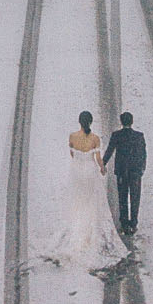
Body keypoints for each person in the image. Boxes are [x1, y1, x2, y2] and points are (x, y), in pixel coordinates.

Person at [49, 110, 125, 268]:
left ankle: (76, 226)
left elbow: (72, 154)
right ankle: (89, 231)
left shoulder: (72, 137)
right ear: (90, 122)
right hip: (90, 172)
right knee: (91, 201)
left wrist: (79, 160)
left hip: (77, 172)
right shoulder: (95, 139)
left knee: (78, 200)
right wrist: (102, 169)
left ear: (79, 122)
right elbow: (97, 158)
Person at [103, 111, 147, 236]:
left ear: (121, 122)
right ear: (131, 122)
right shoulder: (139, 136)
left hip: (122, 171)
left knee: (122, 198)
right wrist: (142, 168)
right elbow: (143, 154)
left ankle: (124, 224)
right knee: (135, 198)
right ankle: (133, 224)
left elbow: (109, 151)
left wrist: (102, 164)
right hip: (135, 172)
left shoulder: (116, 135)